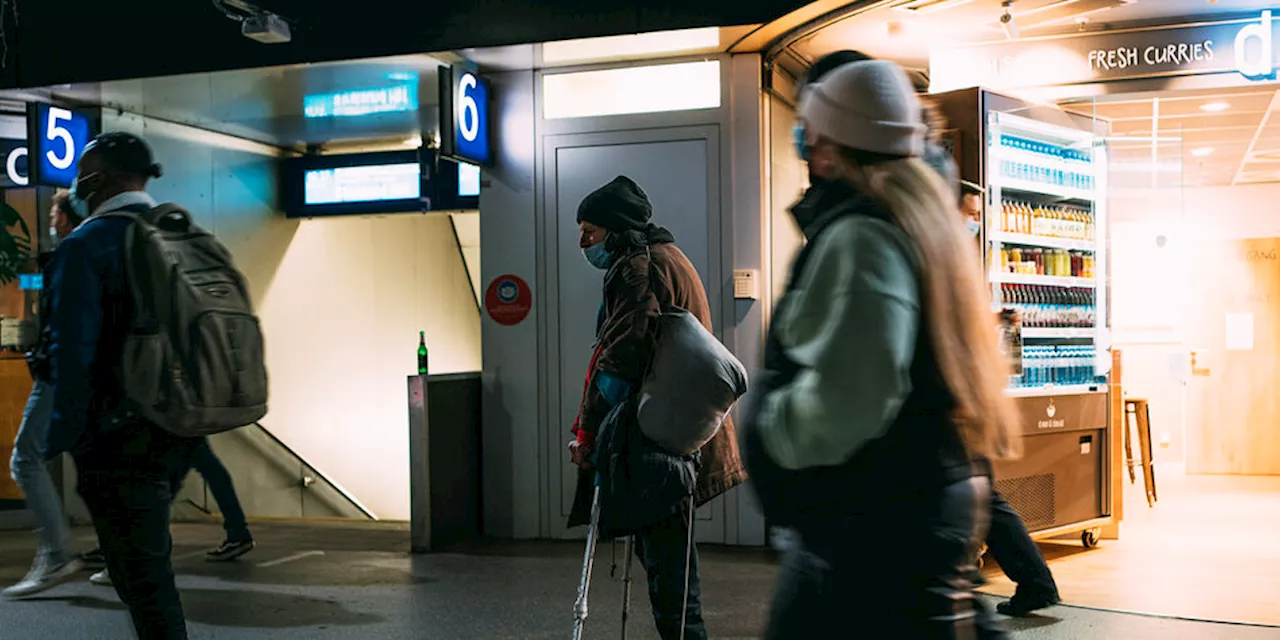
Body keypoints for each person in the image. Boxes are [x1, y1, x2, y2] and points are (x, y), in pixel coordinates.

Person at [740, 59, 1021, 638]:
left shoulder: (862, 234)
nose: (803, 145)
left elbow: (855, 395)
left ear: (828, 144)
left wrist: (772, 424)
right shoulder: (924, 222)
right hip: (913, 513)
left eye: (808, 131)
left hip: (867, 524)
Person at [566, 175, 747, 640]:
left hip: (659, 441)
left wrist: (588, 433)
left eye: (591, 230)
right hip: (678, 432)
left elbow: (621, 361)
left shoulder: (637, 268)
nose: (583, 241)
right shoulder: (667, 256)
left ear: (616, 228)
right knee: (673, 572)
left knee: (672, 582)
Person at [44, 131, 201, 639]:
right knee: (147, 571)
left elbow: (73, 352)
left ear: (100, 178)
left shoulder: (87, 243)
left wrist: (64, 439)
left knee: (145, 581)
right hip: (176, 425)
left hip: (115, 437)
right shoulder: (178, 231)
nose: (77, 185)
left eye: (83, 174)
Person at [2, 192, 109, 599]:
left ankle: (57, 552)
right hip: (93, 379)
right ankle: (119, 556)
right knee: (95, 464)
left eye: (52, 212)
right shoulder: (100, 246)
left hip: (62, 378)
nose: (49, 218)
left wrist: (45, 359)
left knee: (25, 458)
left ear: (66, 217)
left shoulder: (74, 250)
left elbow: (66, 325)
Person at [89, 438, 256, 587]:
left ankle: (125, 558)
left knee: (149, 486)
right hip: (187, 420)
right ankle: (238, 532)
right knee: (202, 471)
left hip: (170, 422)